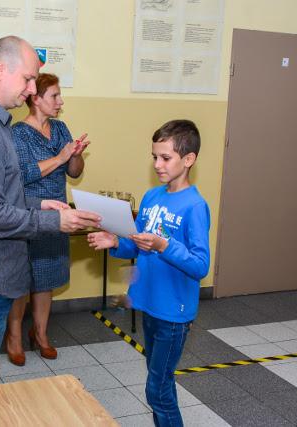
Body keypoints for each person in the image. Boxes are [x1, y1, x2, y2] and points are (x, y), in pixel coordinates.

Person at [0, 35, 101, 386]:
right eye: (28, 79)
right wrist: (52, 220)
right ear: (0, 70)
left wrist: (38, 203)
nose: (31, 90)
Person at [87, 119, 210, 427]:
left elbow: (200, 265)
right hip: (149, 304)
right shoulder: (152, 197)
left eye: (165, 158)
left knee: (157, 390)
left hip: (174, 312)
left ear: (188, 159)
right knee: (161, 382)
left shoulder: (195, 206)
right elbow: (138, 244)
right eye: (154, 156)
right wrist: (116, 242)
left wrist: (164, 245)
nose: (157, 164)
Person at [5, 73, 90, 366]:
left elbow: (74, 172)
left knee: (47, 277)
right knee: (22, 279)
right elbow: (22, 175)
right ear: (36, 99)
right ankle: (14, 337)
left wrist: (75, 155)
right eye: (54, 96)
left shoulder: (60, 128)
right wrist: (60, 157)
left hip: (58, 214)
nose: (60, 101)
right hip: (29, 212)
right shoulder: (17, 134)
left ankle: (40, 334)